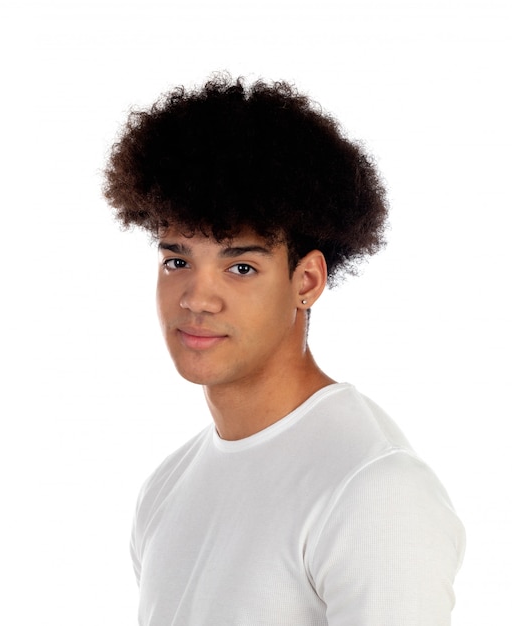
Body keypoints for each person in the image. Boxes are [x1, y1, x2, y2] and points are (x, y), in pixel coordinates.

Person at [103, 74, 465, 625]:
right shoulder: (167, 487)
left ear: (307, 280)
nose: (197, 299)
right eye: (177, 261)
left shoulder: (372, 488)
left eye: (241, 267)